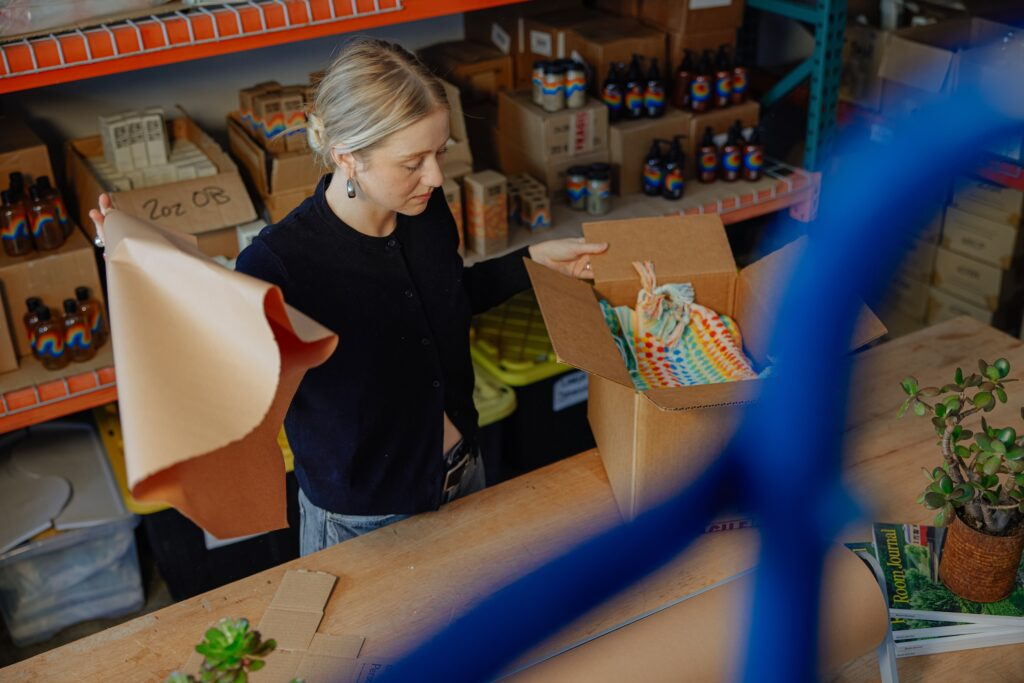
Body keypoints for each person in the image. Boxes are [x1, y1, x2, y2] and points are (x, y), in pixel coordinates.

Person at [91, 37, 607, 556]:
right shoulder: (279, 266)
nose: (435, 176)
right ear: (347, 156)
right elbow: (213, 389)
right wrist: (142, 269)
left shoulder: (423, 213)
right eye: (413, 161)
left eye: (439, 153)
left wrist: (532, 262)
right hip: (366, 524)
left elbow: (443, 303)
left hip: (464, 476)